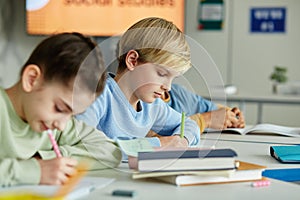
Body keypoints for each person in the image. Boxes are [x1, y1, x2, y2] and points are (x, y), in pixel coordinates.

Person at [0, 32, 122, 187]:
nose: (62, 125)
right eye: (59, 108)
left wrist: (48, 160)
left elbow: (111, 152)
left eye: (72, 115)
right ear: (32, 79)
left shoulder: (54, 123)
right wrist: (34, 171)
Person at [76, 17, 200, 150]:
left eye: (173, 78)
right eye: (162, 74)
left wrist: (181, 141)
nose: (168, 87)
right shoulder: (98, 96)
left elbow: (189, 125)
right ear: (133, 60)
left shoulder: (152, 107)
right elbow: (84, 143)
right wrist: (156, 144)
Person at [161, 83, 246, 133]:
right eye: (160, 73)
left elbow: (209, 107)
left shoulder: (176, 91)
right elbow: (154, 136)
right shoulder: (148, 103)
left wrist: (232, 116)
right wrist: (205, 120)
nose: (167, 86)